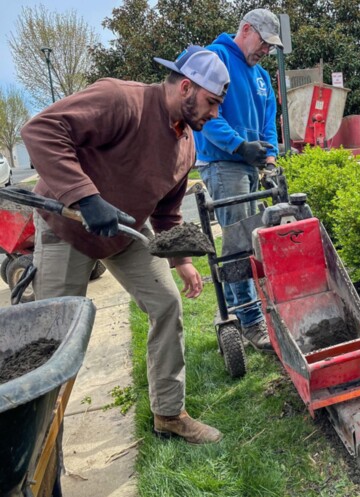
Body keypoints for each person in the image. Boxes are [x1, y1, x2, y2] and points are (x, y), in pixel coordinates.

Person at [20, 46, 230, 444]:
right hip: (69, 228)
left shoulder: (187, 144)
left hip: (126, 233)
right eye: (212, 102)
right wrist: (85, 196)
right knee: (55, 341)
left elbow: (168, 212)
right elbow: (40, 130)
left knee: (167, 304)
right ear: (186, 86)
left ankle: (169, 413)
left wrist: (181, 259)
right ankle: (39, 446)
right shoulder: (122, 99)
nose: (215, 113)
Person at [194, 9, 283, 353]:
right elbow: (204, 115)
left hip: (249, 165)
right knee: (238, 241)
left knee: (253, 236)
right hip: (223, 163)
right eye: (263, 43)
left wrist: (270, 159)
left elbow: (269, 122)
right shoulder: (215, 58)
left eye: (270, 47)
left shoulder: (260, 76)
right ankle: (249, 320)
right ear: (246, 30)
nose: (266, 51)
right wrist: (238, 145)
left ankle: (246, 305)